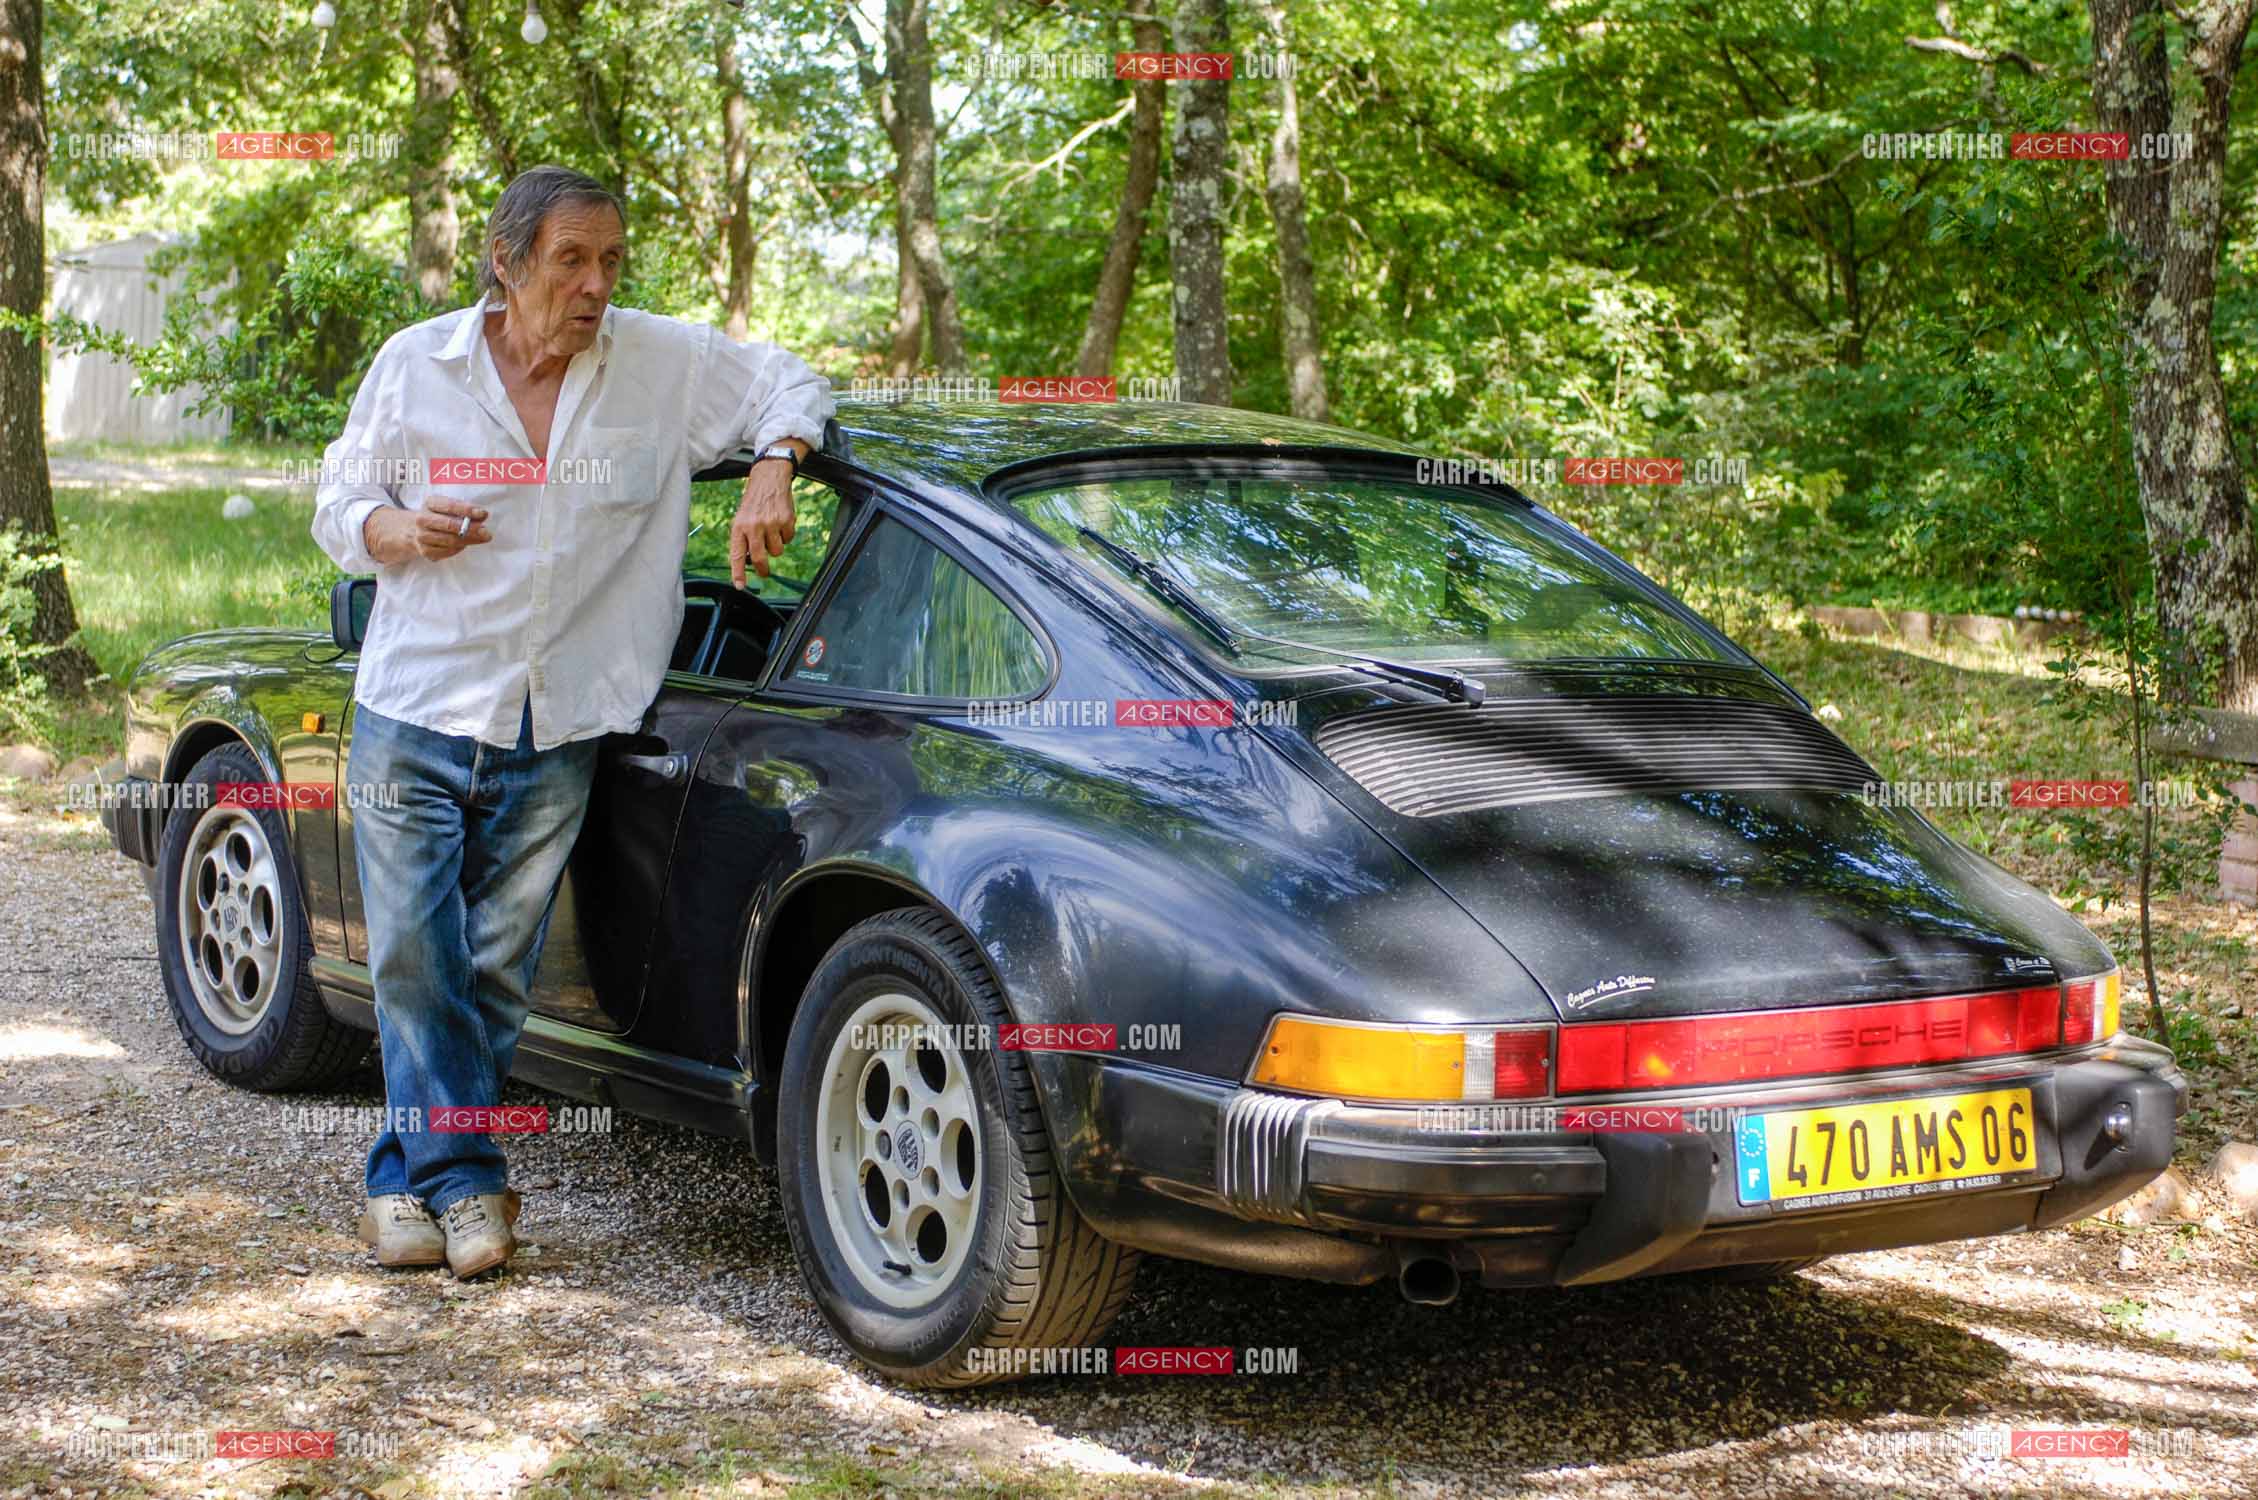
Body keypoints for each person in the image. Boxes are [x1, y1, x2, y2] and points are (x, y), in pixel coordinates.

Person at [310, 164, 834, 1278]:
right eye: (570, 259)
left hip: (563, 718)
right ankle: (466, 1183)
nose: (595, 284)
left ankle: (401, 1184)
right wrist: (399, 531)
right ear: (506, 262)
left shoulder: (660, 364)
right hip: (416, 703)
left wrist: (771, 468)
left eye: (609, 260)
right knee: (411, 952)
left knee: (494, 966)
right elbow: (337, 505)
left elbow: (791, 380)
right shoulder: (417, 365)